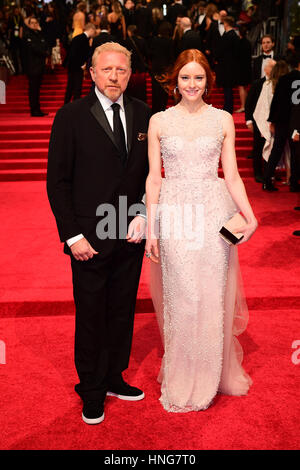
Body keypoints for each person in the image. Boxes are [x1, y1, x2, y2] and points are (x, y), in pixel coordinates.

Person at [145, 49, 257, 413]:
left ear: (208, 81)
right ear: (174, 81)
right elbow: (153, 178)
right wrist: (152, 227)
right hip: (176, 213)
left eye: (198, 78)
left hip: (212, 213)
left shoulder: (223, 119)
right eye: (185, 78)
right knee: (183, 295)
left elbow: (233, 174)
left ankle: (210, 373)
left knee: (210, 296)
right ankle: (182, 371)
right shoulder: (159, 121)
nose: (191, 85)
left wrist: (249, 214)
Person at [47, 42, 152, 425]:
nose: (114, 77)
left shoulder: (143, 113)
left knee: (121, 310)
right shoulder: (70, 116)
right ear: (91, 73)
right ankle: (91, 389)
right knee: (91, 314)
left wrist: (143, 214)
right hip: (88, 240)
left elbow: (150, 175)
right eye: (106, 70)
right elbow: (57, 182)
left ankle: (113, 377)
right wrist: (72, 236)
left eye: (121, 70)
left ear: (130, 73)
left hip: (130, 233)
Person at [263, 52, 300, 192]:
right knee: (296, 153)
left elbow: (276, 102)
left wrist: (272, 120)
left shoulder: (284, 79)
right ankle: (294, 183)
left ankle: (267, 180)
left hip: (282, 121)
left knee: (276, 150)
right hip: (296, 121)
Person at [245, 58, 276, 183]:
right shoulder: (257, 83)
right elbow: (249, 103)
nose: (274, 70)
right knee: (258, 147)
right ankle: (258, 173)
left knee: (272, 147)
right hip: (258, 120)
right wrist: (248, 121)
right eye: (272, 67)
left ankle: (269, 173)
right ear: (266, 69)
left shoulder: (277, 83)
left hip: (272, 121)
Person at [64, 22, 96, 104]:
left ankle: (68, 105)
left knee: (72, 87)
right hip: (76, 67)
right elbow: (74, 53)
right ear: (91, 29)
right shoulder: (82, 39)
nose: (94, 33)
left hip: (74, 66)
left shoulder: (80, 38)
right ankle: (73, 106)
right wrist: (81, 65)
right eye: (94, 31)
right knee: (75, 87)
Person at [23, 16, 49, 117]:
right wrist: (45, 53)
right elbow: (35, 48)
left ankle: (37, 109)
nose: (34, 24)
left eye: (36, 23)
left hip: (39, 66)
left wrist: (41, 32)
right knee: (33, 89)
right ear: (29, 25)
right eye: (32, 23)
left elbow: (45, 45)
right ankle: (34, 110)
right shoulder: (27, 35)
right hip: (32, 66)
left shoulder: (39, 34)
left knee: (37, 89)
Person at [215, 16, 239, 114]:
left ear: (226, 24)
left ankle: (228, 107)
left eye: (223, 23)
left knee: (227, 88)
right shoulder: (232, 35)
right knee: (227, 88)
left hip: (227, 66)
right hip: (229, 66)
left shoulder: (230, 35)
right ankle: (228, 106)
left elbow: (222, 50)